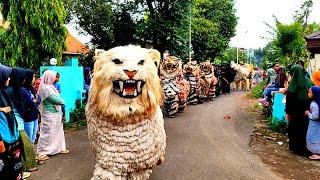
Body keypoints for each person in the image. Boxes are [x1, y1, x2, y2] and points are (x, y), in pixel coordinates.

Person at [5, 68, 37, 176]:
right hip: (16, 124)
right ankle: (24, 169)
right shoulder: (10, 90)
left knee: (23, 146)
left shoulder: (16, 89)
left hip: (18, 123)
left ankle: (24, 169)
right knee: (24, 146)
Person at [36, 70, 68, 161]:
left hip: (56, 113)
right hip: (49, 114)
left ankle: (58, 148)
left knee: (57, 131)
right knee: (47, 133)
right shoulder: (45, 88)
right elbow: (57, 100)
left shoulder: (50, 87)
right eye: (54, 77)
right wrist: (62, 101)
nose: (55, 79)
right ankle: (42, 152)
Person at [0, 65, 23, 179]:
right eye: (6, 77)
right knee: (6, 169)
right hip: (3, 139)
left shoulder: (3, 92)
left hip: (12, 136)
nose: (9, 79)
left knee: (15, 167)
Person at [285, 65, 313, 157]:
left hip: (294, 113)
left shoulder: (292, 86)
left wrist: (288, 112)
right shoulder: (309, 83)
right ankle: (303, 148)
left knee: (293, 128)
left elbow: (288, 102)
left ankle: (295, 148)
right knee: (303, 129)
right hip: (305, 111)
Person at [22, 69, 39, 144]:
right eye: (33, 77)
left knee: (33, 138)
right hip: (28, 117)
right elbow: (29, 103)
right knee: (28, 140)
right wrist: (34, 101)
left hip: (34, 115)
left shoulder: (30, 88)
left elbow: (38, 99)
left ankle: (32, 155)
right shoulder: (23, 89)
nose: (34, 79)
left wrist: (35, 101)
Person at [305, 86, 320, 160]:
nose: (308, 94)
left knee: (314, 138)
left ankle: (317, 153)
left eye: (310, 93)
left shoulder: (314, 105)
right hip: (315, 125)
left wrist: (308, 113)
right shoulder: (316, 103)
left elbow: (315, 116)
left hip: (315, 125)